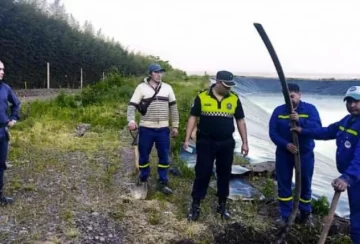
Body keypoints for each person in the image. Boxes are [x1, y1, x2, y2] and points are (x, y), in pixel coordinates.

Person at [291, 85, 360, 243]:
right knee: (356, 217)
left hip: (355, 177)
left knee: (358, 222)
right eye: (349, 101)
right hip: (354, 180)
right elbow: (327, 131)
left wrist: (346, 178)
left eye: (356, 101)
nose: (352, 105)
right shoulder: (348, 120)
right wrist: (304, 130)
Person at [183, 70, 249, 221]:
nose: (229, 89)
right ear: (218, 82)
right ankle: (196, 205)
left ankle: (222, 205)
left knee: (224, 173)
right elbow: (193, 117)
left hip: (226, 142)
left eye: (231, 86)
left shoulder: (234, 98)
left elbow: (240, 121)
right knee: (203, 172)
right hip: (206, 142)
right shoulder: (202, 97)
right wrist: (187, 139)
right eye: (226, 85)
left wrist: (245, 142)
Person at [268, 83, 322, 226]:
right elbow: (273, 133)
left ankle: (305, 214)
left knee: (305, 182)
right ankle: (285, 215)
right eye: (287, 97)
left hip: (304, 154)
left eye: (292, 96)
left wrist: (300, 120)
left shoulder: (310, 109)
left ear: (299, 94)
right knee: (283, 183)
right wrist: (286, 145)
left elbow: (317, 128)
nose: (290, 99)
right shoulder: (278, 111)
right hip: (284, 154)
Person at [127, 63, 179, 195]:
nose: (159, 75)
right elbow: (132, 106)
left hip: (163, 129)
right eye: (156, 72)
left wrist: (175, 126)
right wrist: (131, 120)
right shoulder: (141, 88)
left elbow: (173, 108)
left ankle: (163, 181)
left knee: (164, 157)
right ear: (150, 74)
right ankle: (143, 177)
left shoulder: (168, 88)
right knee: (143, 156)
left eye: (161, 72)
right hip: (146, 129)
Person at [0, 60, 21, 205]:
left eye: (3, 69)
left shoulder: (5, 88)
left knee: (0, 165)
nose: (2, 72)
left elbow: (16, 103)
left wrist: (13, 118)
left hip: (1, 132)